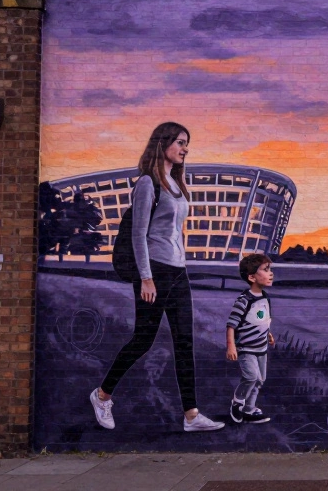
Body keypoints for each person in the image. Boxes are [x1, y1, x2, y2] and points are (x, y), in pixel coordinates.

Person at [89, 122, 225, 432]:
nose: (184, 148)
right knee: (143, 340)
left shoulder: (177, 185)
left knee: (185, 343)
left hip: (178, 273)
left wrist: (182, 262)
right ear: (162, 143)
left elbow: (174, 231)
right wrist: (146, 278)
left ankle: (191, 415)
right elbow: (139, 235)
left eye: (186, 143)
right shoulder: (148, 184)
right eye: (179, 142)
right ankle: (101, 395)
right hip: (154, 273)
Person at [227, 253, 276, 425]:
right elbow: (231, 325)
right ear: (251, 277)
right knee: (250, 377)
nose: (270, 273)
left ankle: (249, 409)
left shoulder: (265, 298)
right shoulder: (244, 300)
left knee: (259, 380)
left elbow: (262, 320)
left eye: (270, 269)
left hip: (261, 348)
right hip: (246, 348)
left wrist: (268, 334)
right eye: (265, 270)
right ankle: (238, 402)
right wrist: (231, 346)